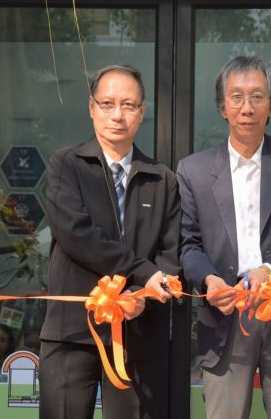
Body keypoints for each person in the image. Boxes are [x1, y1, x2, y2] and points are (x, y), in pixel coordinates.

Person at [178, 56, 271, 418]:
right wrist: (209, 279)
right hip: (224, 316)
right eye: (237, 97)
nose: (247, 108)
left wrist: (270, 270)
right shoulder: (194, 170)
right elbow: (188, 244)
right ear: (222, 107)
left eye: (257, 97)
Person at [38, 64, 181, 419]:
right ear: (91, 107)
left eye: (129, 105)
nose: (117, 115)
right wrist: (140, 271)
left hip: (138, 336)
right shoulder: (65, 165)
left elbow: (172, 250)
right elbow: (77, 235)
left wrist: (143, 296)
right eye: (107, 103)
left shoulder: (162, 179)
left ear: (142, 111)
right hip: (72, 332)